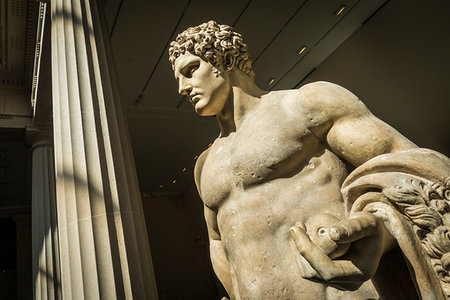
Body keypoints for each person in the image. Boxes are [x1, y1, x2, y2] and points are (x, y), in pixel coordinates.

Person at [169, 21, 450, 299]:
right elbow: (219, 244)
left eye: (191, 70)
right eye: (178, 79)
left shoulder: (305, 105)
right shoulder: (204, 165)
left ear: (226, 60)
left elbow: (419, 174)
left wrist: (382, 229)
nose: (183, 87)